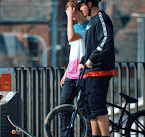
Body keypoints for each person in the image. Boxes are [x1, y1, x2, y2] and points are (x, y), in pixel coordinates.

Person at [77, 0, 115, 137]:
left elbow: (106, 40)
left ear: (90, 4)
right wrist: (83, 61)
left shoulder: (101, 18)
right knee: (91, 108)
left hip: (100, 70)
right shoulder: (91, 22)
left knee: (98, 107)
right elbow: (90, 47)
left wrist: (92, 58)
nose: (80, 9)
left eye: (81, 6)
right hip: (91, 71)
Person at [60, 0, 89, 136]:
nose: (70, 14)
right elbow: (73, 54)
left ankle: (85, 134)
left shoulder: (88, 27)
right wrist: (66, 73)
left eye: (72, 11)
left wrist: (68, 18)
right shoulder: (74, 27)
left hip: (84, 75)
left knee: (84, 110)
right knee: (63, 106)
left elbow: (71, 37)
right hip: (71, 75)